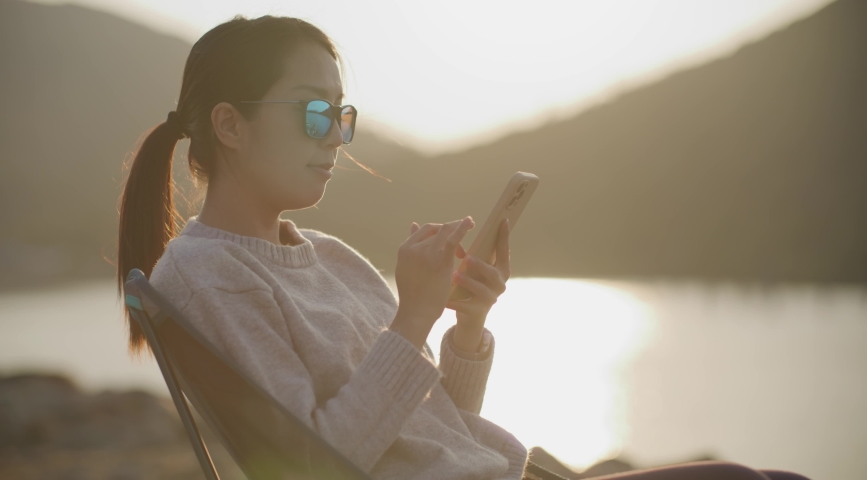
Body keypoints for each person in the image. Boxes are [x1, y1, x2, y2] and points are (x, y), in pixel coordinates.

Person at [116, 15, 810, 480]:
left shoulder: (329, 256)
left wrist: (464, 330)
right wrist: (411, 318)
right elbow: (317, 467)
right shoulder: (209, 274)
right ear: (230, 125)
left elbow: (432, 432)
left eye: (343, 113)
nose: (336, 135)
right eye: (314, 111)